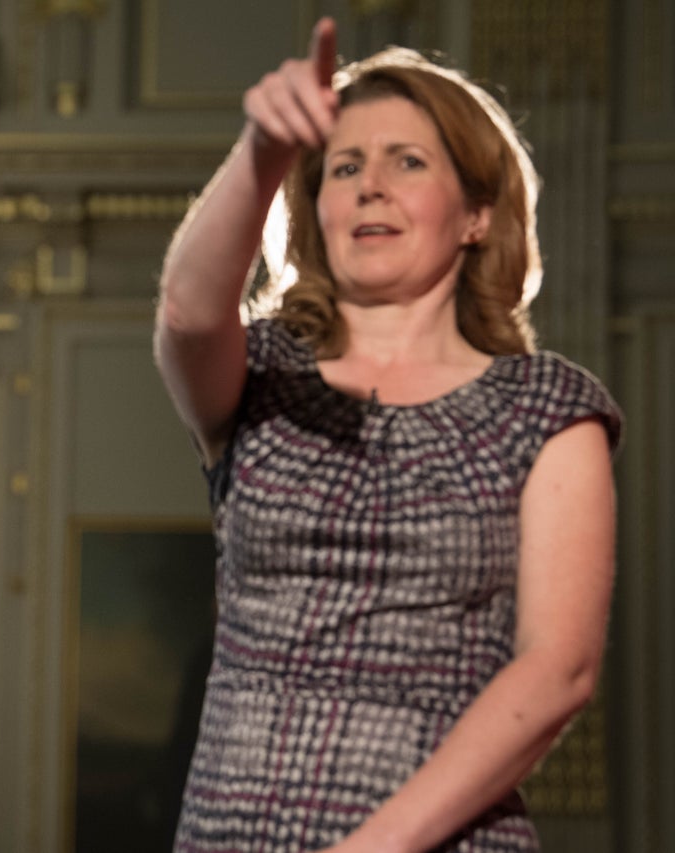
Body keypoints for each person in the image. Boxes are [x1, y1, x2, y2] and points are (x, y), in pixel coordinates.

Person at [154, 17, 621, 853]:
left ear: (477, 212)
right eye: (344, 166)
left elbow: (558, 672)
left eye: (407, 161)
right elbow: (190, 312)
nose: (371, 184)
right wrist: (264, 149)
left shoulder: (547, 409)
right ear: (317, 208)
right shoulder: (261, 377)